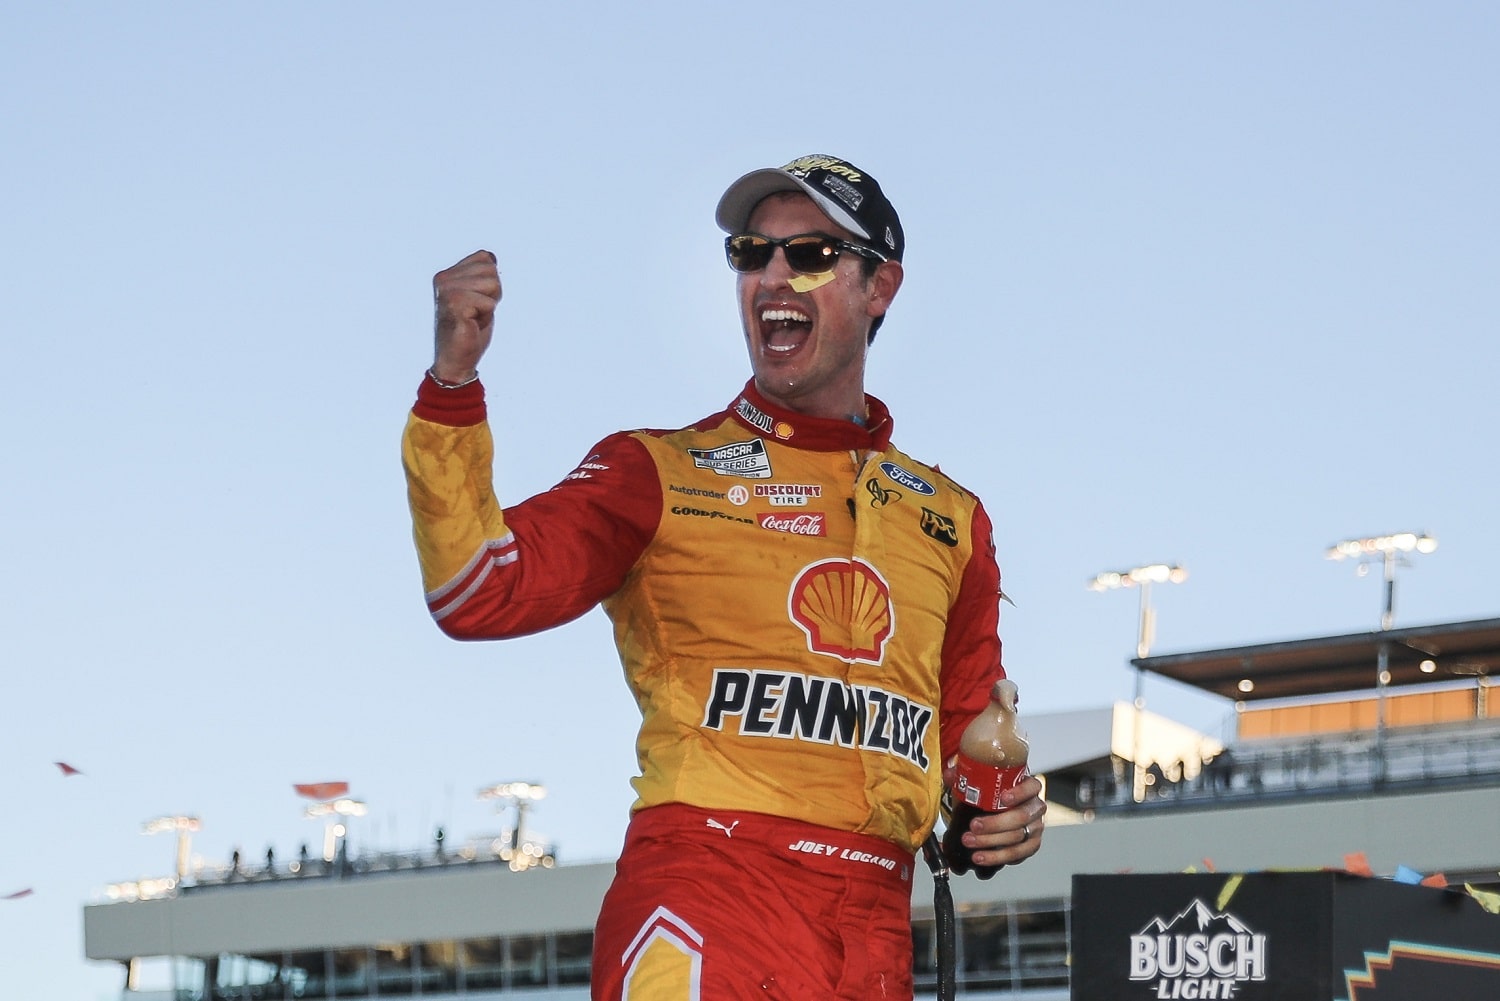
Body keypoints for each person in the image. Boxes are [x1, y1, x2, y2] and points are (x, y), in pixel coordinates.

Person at [403, 153, 1046, 1001]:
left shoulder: (954, 516)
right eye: (751, 252)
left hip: (876, 931)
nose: (773, 274)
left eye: (810, 254)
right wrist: (454, 386)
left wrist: (994, 818)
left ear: (879, 287)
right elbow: (475, 590)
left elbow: (966, 734)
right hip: (712, 892)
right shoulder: (659, 470)